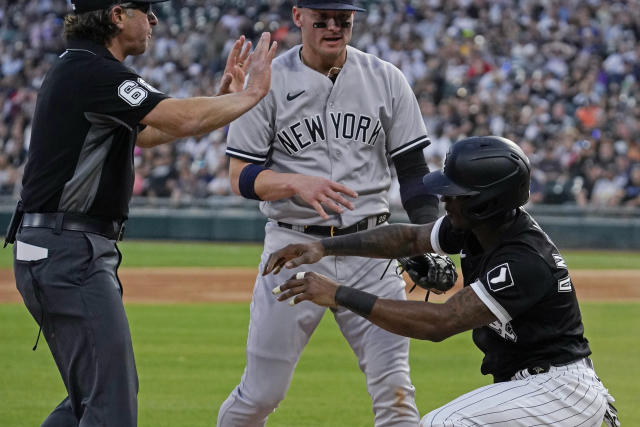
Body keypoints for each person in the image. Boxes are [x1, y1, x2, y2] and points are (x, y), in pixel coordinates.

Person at [6, 1, 276, 425]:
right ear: (116, 16)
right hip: (68, 251)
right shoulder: (94, 71)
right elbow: (180, 120)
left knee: (91, 399)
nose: (152, 21)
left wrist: (222, 100)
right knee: (111, 406)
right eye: (144, 10)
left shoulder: (81, 67)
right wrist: (252, 94)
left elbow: (149, 133)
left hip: (60, 249)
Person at [264, 136, 620, 427]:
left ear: (486, 202)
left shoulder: (523, 260)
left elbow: (440, 322)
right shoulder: (480, 227)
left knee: (443, 424)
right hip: (532, 388)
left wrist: (338, 294)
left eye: (455, 193)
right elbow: (406, 239)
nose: (444, 199)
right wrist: (322, 247)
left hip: (558, 392)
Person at [217, 1, 452, 425]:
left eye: (342, 19)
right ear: (298, 16)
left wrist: (425, 237)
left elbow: (414, 174)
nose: (332, 26)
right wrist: (294, 182)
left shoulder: (385, 78)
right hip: (293, 248)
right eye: (321, 18)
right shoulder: (267, 81)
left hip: (371, 250)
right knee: (261, 394)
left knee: (395, 391)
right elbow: (240, 175)